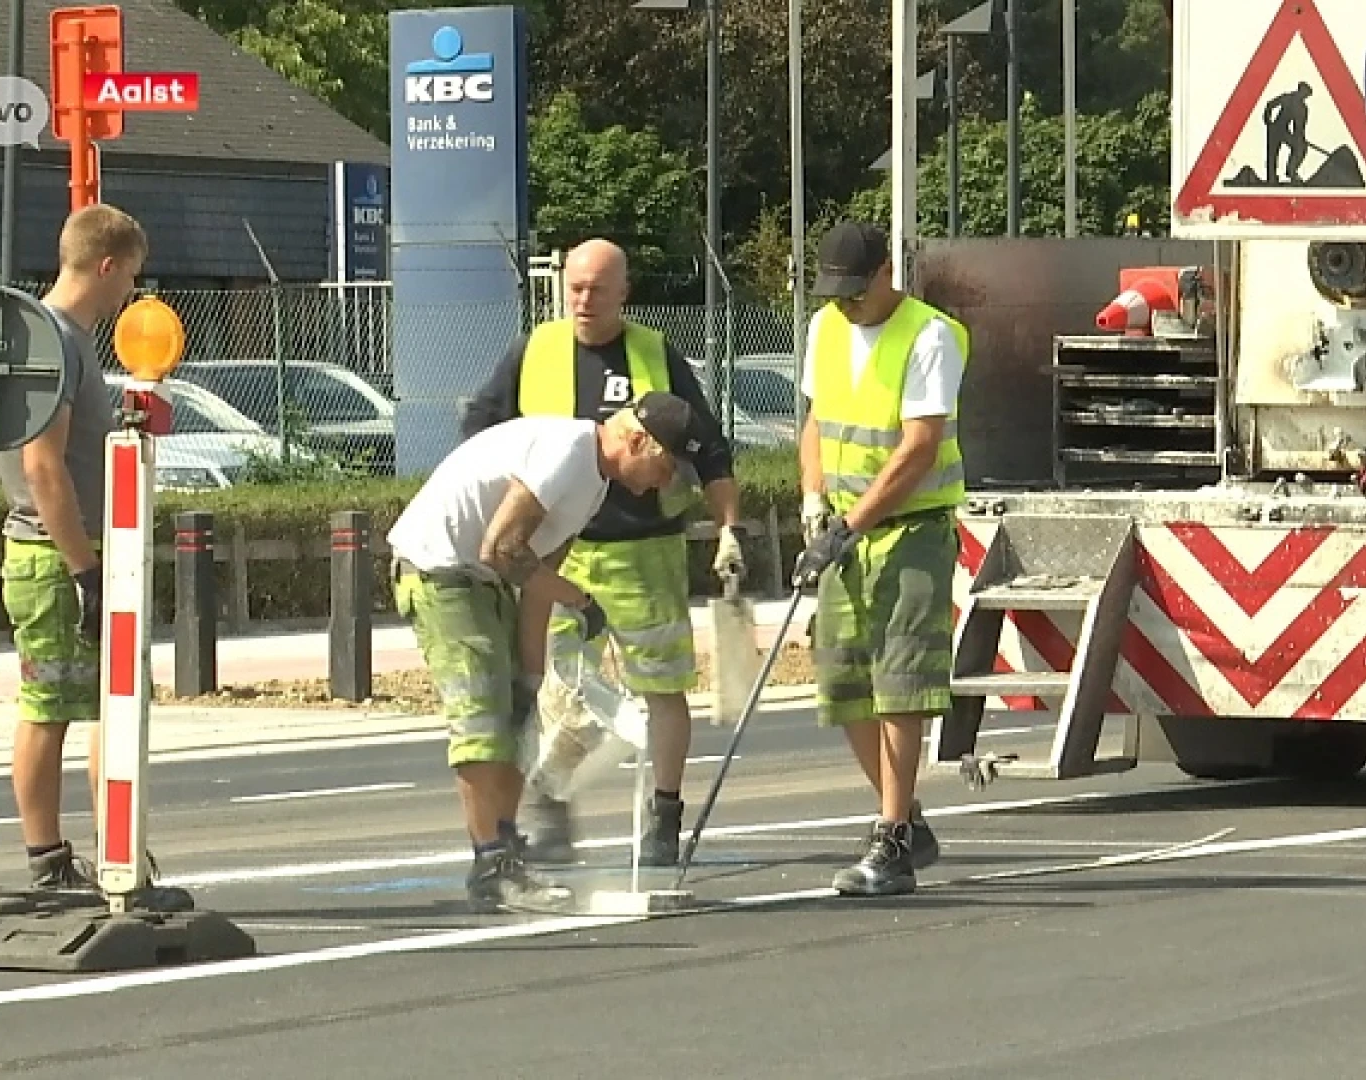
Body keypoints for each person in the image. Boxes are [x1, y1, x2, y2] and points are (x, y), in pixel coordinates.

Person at [458, 237, 743, 867]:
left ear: (624, 292)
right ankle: (548, 795)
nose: (583, 299)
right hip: (561, 553)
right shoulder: (535, 351)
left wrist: (728, 525)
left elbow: (708, 447)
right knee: (556, 689)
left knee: (663, 686)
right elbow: (479, 430)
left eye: (597, 289)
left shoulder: (653, 354)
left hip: (646, 550)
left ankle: (663, 815)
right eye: (575, 287)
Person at [389, 393, 698, 913]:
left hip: (483, 582)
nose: (662, 483)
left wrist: (531, 680)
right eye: (663, 467)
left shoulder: (595, 486)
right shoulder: (568, 452)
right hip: (441, 572)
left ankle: (504, 847)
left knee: (514, 715)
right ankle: (492, 862)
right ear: (637, 439)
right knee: (483, 715)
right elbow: (503, 549)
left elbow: (535, 585)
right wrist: (578, 598)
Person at [0, 202, 183, 907]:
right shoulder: (57, 339)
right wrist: (87, 573)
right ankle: (58, 861)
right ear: (107, 266)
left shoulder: (56, 337)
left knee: (109, 704)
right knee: (56, 706)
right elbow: (44, 467)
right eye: (129, 278)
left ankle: (114, 850)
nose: (130, 296)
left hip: (77, 550)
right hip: (55, 554)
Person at [792, 220, 967, 897]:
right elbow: (815, 423)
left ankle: (891, 836)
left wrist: (852, 524)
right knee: (844, 680)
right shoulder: (826, 328)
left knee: (901, 679)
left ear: (886, 272)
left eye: (854, 291)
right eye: (833, 292)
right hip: (841, 527)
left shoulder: (929, 336)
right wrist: (814, 503)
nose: (844, 303)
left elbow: (919, 447)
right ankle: (908, 820)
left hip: (910, 528)